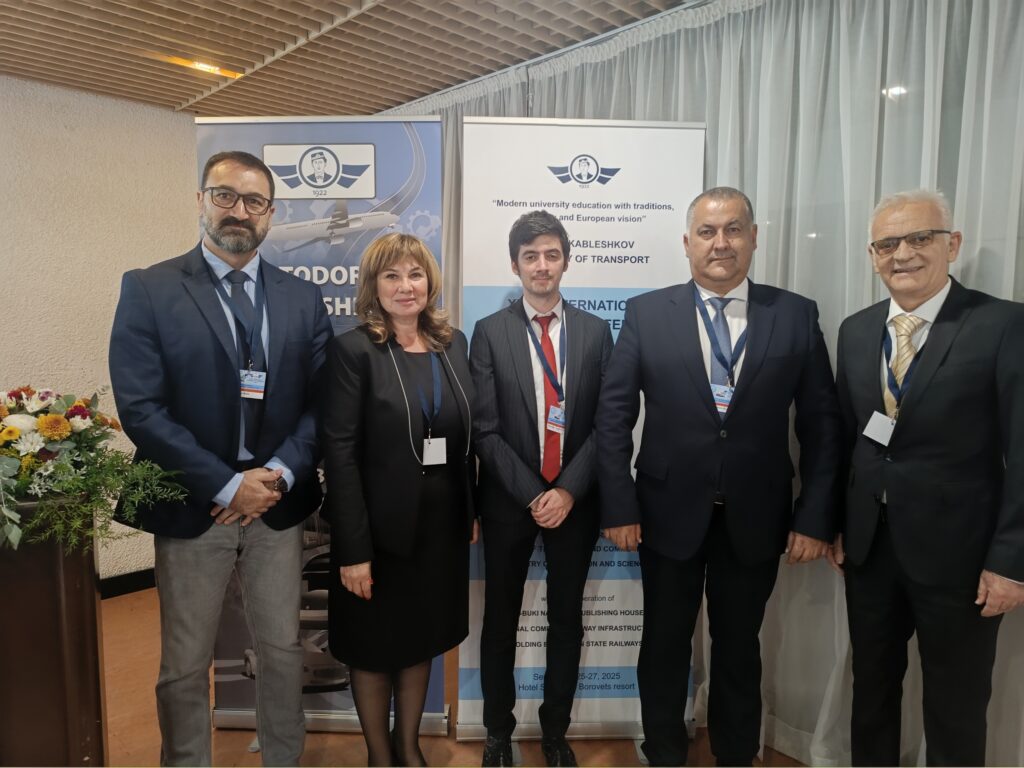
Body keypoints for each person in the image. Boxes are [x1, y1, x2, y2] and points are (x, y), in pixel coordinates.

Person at [596, 187, 842, 766]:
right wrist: (619, 506)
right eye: (707, 232)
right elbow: (613, 418)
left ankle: (735, 755)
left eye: (734, 229)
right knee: (663, 642)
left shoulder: (795, 314)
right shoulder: (646, 313)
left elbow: (822, 424)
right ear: (688, 243)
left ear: (754, 237)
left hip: (757, 515)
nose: (721, 243)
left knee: (738, 646)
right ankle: (663, 752)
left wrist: (814, 517)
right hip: (664, 513)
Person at [109, 150, 332, 766]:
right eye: (225, 195)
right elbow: (142, 409)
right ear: (201, 201)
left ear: (270, 214)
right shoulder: (149, 288)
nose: (239, 210)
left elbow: (324, 404)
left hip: (275, 505)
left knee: (282, 649)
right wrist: (228, 485)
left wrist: (275, 476)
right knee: (185, 662)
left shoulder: (301, 298)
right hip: (193, 503)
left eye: (254, 201)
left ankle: (283, 758)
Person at [830, 189, 1024, 766]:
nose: (903, 254)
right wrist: (839, 524)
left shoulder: (1002, 324)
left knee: (955, 703)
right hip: (870, 548)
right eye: (887, 243)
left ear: (952, 244)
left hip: (962, 557)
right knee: (871, 690)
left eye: (920, 238)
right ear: (872, 256)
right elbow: (849, 438)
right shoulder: (856, 330)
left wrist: (1011, 560)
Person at [320, 233, 476, 767]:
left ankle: (409, 749)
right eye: (391, 276)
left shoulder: (452, 345)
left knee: (419, 638)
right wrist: (353, 551)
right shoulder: (353, 351)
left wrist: (469, 512)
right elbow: (340, 455)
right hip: (376, 533)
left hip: (438, 530)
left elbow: (466, 438)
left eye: (414, 274)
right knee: (372, 646)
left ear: (429, 281)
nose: (405, 286)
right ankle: (379, 757)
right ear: (374, 286)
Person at [470, 210, 613, 767]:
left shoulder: (596, 333)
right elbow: (485, 429)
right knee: (500, 621)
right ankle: (497, 734)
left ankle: (555, 734)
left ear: (566, 261)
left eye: (552, 254)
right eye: (530, 256)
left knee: (566, 621)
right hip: (510, 501)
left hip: (576, 502)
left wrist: (569, 490)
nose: (542, 265)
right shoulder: (489, 332)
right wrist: (534, 494)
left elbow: (608, 424)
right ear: (515, 265)